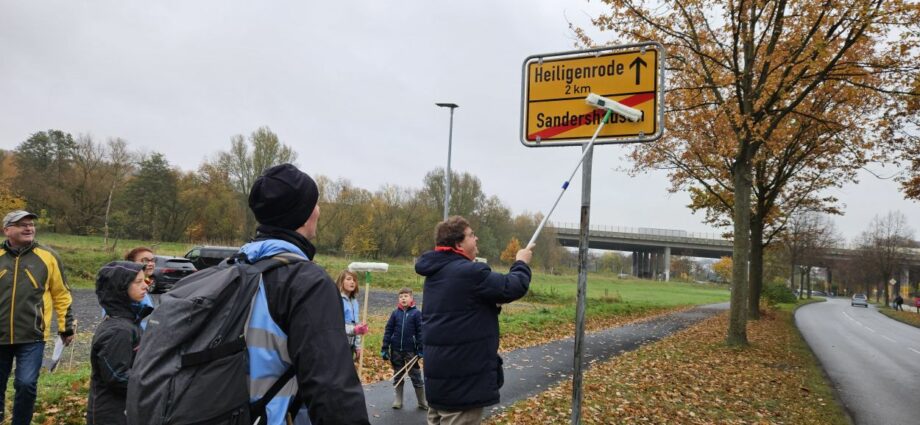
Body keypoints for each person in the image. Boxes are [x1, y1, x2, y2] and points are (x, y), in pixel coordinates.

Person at [239, 163, 369, 424]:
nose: (318, 210)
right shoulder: (306, 283)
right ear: (305, 214)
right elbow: (333, 394)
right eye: (316, 204)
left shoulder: (234, 267)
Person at [416, 216, 534, 425]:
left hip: (440, 381)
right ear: (458, 244)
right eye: (471, 235)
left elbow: (461, 312)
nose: (476, 238)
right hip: (462, 385)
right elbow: (512, 286)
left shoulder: (436, 273)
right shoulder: (470, 272)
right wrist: (521, 262)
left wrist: (489, 306)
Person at [0, 210, 74, 425]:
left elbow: (62, 294)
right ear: (7, 230)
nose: (28, 228)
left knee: (26, 384)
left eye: (31, 224)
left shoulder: (48, 256)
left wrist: (66, 327)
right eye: (21, 224)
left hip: (32, 335)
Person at [87, 261, 152, 424]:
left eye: (145, 280)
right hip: (111, 414)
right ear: (120, 289)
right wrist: (154, 385)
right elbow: (117, 376)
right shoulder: (118, 330)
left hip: (125, 409)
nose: (145, 286)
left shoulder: (130, 322)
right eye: (138, 282)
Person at [381, 287, 426, 410]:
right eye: (401, 297)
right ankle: (398, 400)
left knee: (415, 375)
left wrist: (421, 348)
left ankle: (422, 401)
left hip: (411, 351)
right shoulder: (395, 313)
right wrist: (385, 347)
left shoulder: (416, 314)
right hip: (396, 350)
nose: (403, 298)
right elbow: (388, 330)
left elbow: (421, 332)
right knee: (398, 374)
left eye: (406, 296)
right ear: (398, 300)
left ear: (411, 298)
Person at [336, 270, 368, 362]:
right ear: (341, 282)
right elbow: (336, 325)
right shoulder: (338, 299)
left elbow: (356, 324)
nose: (352, 282)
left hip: (351, 345)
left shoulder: (354, 301)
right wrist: (354, 330)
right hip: (339, 344)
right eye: (349, 279)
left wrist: (358, 346)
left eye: (354, 280)